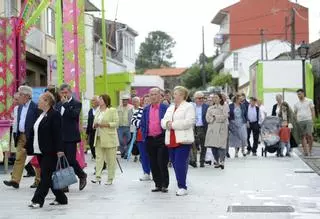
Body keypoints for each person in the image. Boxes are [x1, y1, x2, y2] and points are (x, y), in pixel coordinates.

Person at [28, 92, 67, 208]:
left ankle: (37, 200)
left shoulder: (54, 115)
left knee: (45, 177)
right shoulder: (42, 114)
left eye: (40, 100)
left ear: (47, 102)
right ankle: (61, 198)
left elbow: (58, 133)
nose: (38, 102)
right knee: (48, 176)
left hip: (51, 151)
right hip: (40, 150)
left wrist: (60, 149)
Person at [161, 86, 195, 196]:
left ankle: (182, 186)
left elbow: (189, 122)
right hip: (171, 139)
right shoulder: (170, 107)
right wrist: (166, 124)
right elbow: (163, 121)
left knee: (180, 163)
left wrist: (173, 125)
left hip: (183, 140)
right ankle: (181, 183)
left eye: (175, 94)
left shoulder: (188, 106)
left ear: (182, 95)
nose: (173, 95)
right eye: (174, 93)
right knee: (175, 164)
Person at [3, 86, 39, 189]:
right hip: (21, 136)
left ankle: (38, 180)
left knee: (36, 159)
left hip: (31, 136)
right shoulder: (19, 108)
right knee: (19, 158)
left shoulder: (35, 107)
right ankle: (15, 180)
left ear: (27, 96)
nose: (18, 96)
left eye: (20, 94)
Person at [56, 83, 87, 191]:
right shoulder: (58, 104)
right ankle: (65, 184)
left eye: (66, 92)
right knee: (62, 160)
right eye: (62, 93)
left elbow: (73, 115)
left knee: (70, 159)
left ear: (70, 92)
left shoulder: (76, 103)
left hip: (71, 136)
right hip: (60, 136)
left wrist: (66, 104)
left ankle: (82, 175)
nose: (64, 95)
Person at [140, 88, 169, 193]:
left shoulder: (165, 108)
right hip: (150, 138)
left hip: (161, 137)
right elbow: (142, 123)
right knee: (153, 162)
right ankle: (157, 184)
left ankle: (164, 184)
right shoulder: (146, 109)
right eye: (151, 94)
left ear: (160, 96)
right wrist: (144, 134)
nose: (153, 96)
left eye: (155, 94)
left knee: (162, 161)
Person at [91, 95, 119, 185]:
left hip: (109, 138)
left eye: (101, 99)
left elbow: (116, 123)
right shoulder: (98, 110)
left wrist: (105, 124)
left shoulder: (112, 110)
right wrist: (95, 125)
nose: (99, 100)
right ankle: (97, 177)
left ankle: (110, 178)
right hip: (98, 137)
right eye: (99, 99)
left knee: (110, 159)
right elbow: (94, 123)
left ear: (105, 100)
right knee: (99, 158)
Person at [205, 93, 229, 169]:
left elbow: (225, 116)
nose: (214, 99)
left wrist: (215, 116)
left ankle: (222, 161)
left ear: (220, 98)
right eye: (213, 97)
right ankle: (217, 161)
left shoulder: (225, 106)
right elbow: (207, 118)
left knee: (221, 145)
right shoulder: (210, 108)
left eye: (216, 97)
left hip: (222, 128)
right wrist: (213, 118)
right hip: (212, 128)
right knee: (213, 146)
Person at [131, 98, 151, 181]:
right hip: (140, 136)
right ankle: (146, 173)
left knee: (151, 155)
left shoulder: (153, 110)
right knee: (143, 156)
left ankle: (154, 172)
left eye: (148, 101)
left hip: (151, 136)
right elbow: (133, 120)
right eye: (145, 101)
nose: (147, 102)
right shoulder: (139, 110)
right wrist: (141, 124)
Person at [294, 89, 316, 156]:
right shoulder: (296, 104)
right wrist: (295, 122)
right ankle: (305, 151)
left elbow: (312, 110)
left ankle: (310, 150)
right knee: (302, 136)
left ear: (303, 93)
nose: (299, 95)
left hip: (308, 120)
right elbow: (295, 113)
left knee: (309, 135)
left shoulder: (309, 101)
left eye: (300, 94)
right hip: (300, 121)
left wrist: (313, 120)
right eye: (298, 94)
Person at [191, 91, 209, 168]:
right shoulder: (191, 107)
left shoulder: (207, 107)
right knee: (193, 146)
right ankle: (194, 161)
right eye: (199, 98)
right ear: (195, 99)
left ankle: (202, 161)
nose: (201, 99)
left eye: (202, 98)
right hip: (194, 128)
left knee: (204, 146)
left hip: (203, 128)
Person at [117, 94, 133, 159]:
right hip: (120, 127)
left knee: (129, 140)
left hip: (128, 127)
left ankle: (126, 153)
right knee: (120, 140)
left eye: (126, 100)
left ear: (128, 100)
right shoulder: (118, 107)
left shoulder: (131, 107)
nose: (124, 101)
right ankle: (122, 151)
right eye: (123, 100)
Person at [130, 97, 141, 162]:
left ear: (139, 102)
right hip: (132, 129)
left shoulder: (141, 110)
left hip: (139, 130)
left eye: (136, 101)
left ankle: (140, 155)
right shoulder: (130, 110)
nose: (135, 103)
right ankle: (135, 155)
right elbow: (129, 120)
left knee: (138, 143)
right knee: (134, 143)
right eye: (134, 101)